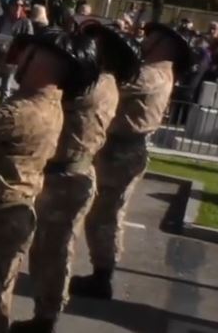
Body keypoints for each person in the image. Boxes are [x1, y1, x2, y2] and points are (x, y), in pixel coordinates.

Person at [0, 28, 98, 333]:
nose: (20, 60)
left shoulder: (23, 112)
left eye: (30, 55)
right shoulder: (47, 103)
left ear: (46, 65)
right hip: (7, 214)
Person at [12, 21, 140, 333]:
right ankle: (46, 313)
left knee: (53, 252)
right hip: (71, 172)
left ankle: (46, 319)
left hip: (67, 175)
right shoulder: (106, 81)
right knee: (47, 249)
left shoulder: (95, 83)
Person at [70, 22, 190, 301]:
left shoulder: (154, 74)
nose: (144, 40)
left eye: (151, 37)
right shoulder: (156, 71)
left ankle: (102, 277)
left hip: (123, 150)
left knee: (106, 214)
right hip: (117, 147)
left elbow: (118, 83)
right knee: (101, 212)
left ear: (164, 45)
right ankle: (101, 273)